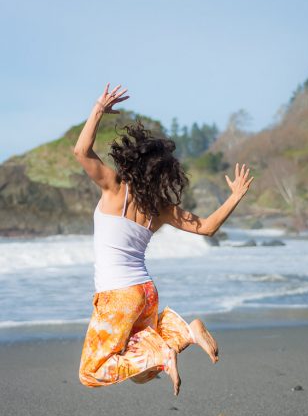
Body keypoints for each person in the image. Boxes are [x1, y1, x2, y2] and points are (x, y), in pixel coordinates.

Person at [74, 82, 254, 396]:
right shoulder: (161, 209)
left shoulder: (115, 187)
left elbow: (81, 151)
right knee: (140, 371)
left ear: (132, 161)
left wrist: (98, 109)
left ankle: (165, 353)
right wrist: (235, 196)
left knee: (91, 372)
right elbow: (207, 227)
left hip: (118, 295)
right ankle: (187, 333)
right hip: (146, 293)